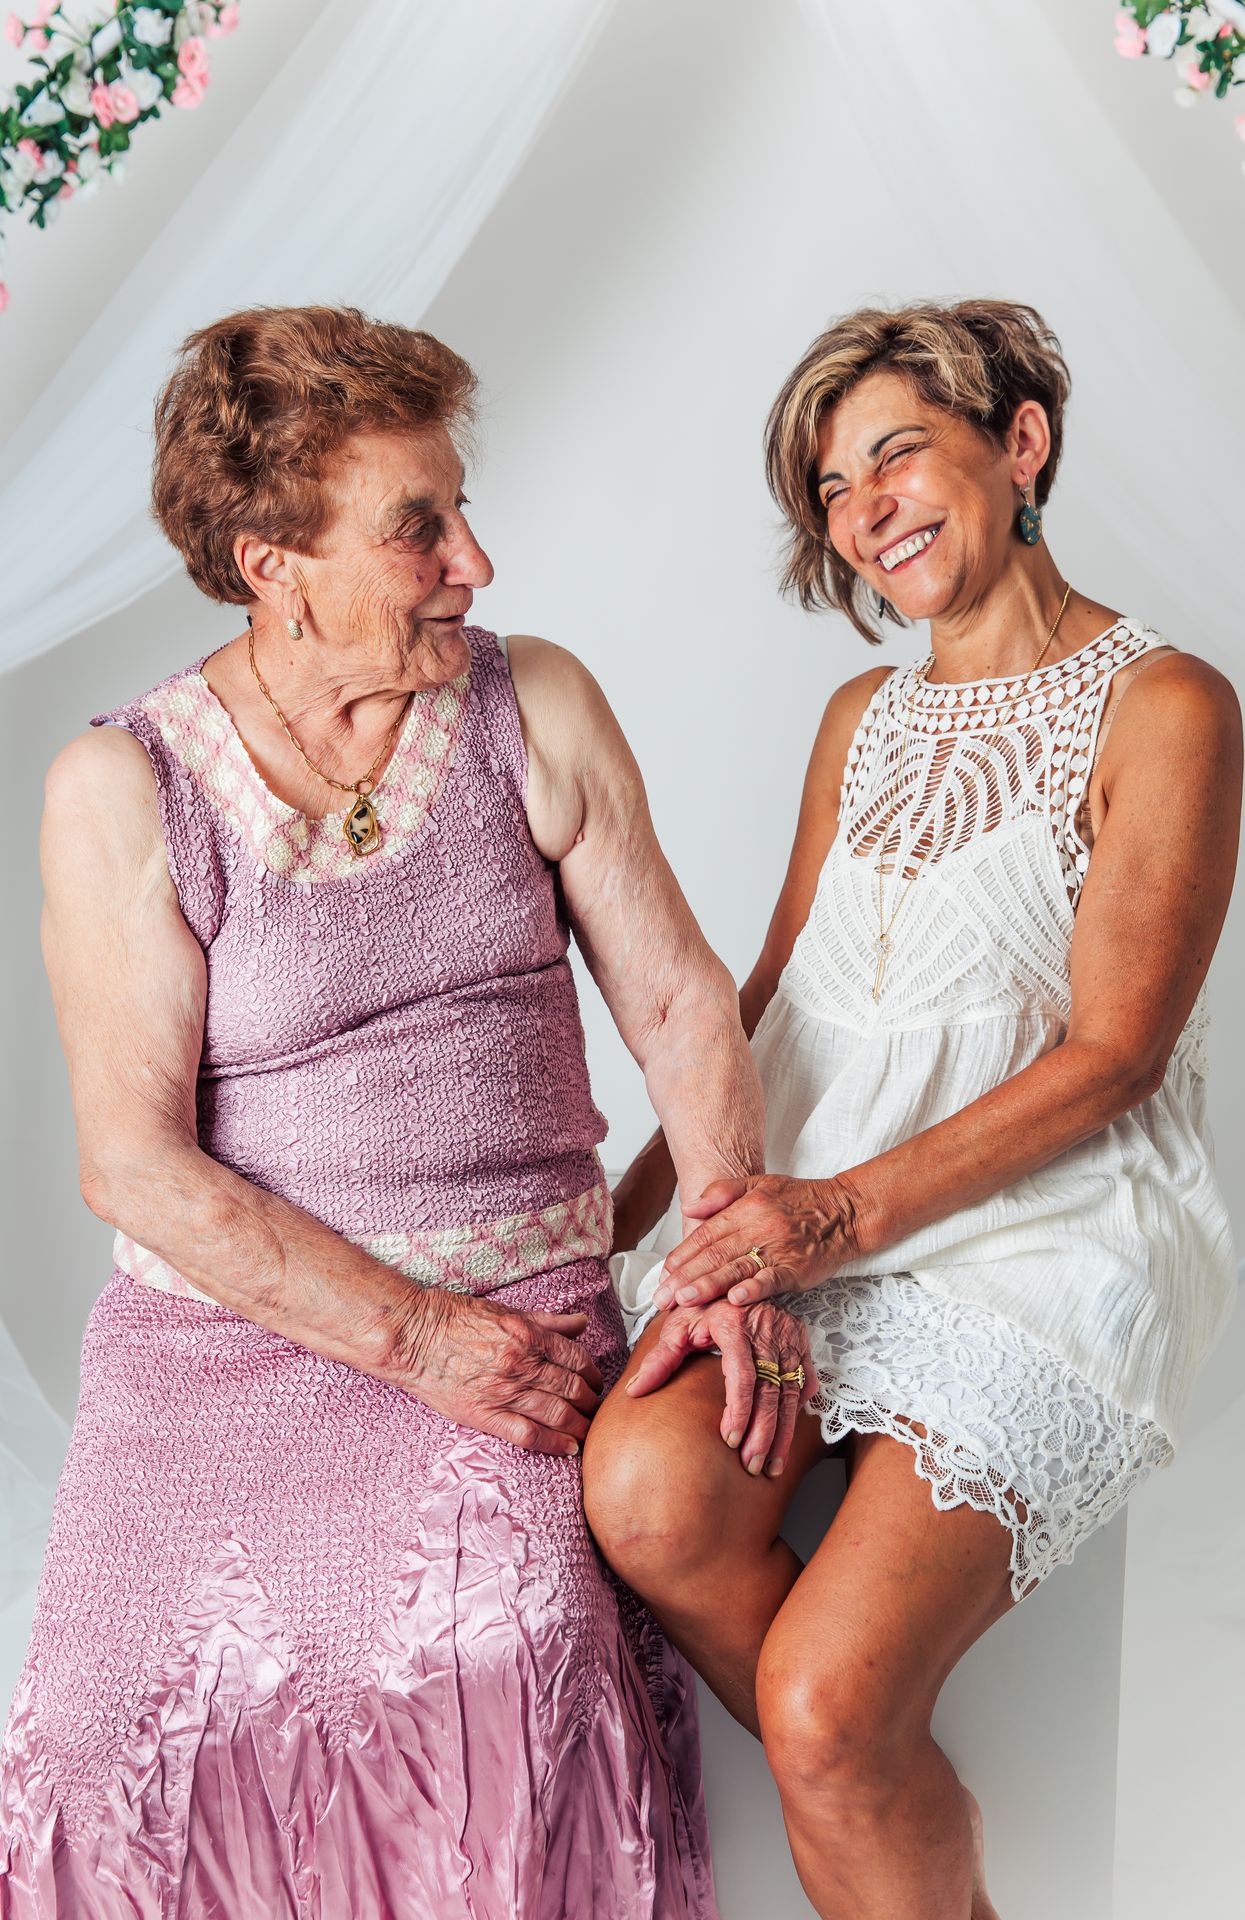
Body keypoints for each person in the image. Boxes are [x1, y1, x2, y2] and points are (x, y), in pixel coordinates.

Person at [0, 304, 814, 1920]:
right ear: (268, 565)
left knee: (501, 1666)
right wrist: (413, 1341)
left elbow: (674, 1004)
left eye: (457, 510)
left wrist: (733, 1255)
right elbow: (134, 1163)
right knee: (100, 1737)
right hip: (231, 1350)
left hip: (523, 1326)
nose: (474, 562)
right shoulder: (123, 790)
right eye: (417, 528)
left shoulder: (536, 705)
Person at [584, 298, 1241, 1920]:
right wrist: (628, 1215)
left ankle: (844, 1746)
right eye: (828, 486)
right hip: (810, 1200)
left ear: (1017, 445)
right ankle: (867, 1782)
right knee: (648, 1500)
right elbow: (777, 995)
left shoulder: (1169, 706)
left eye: (894, 453)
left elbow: (1114, 1055)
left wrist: (834, 1220)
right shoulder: (858, 720)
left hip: (1042, 1224)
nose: (862, 506)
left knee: (817, 1700)